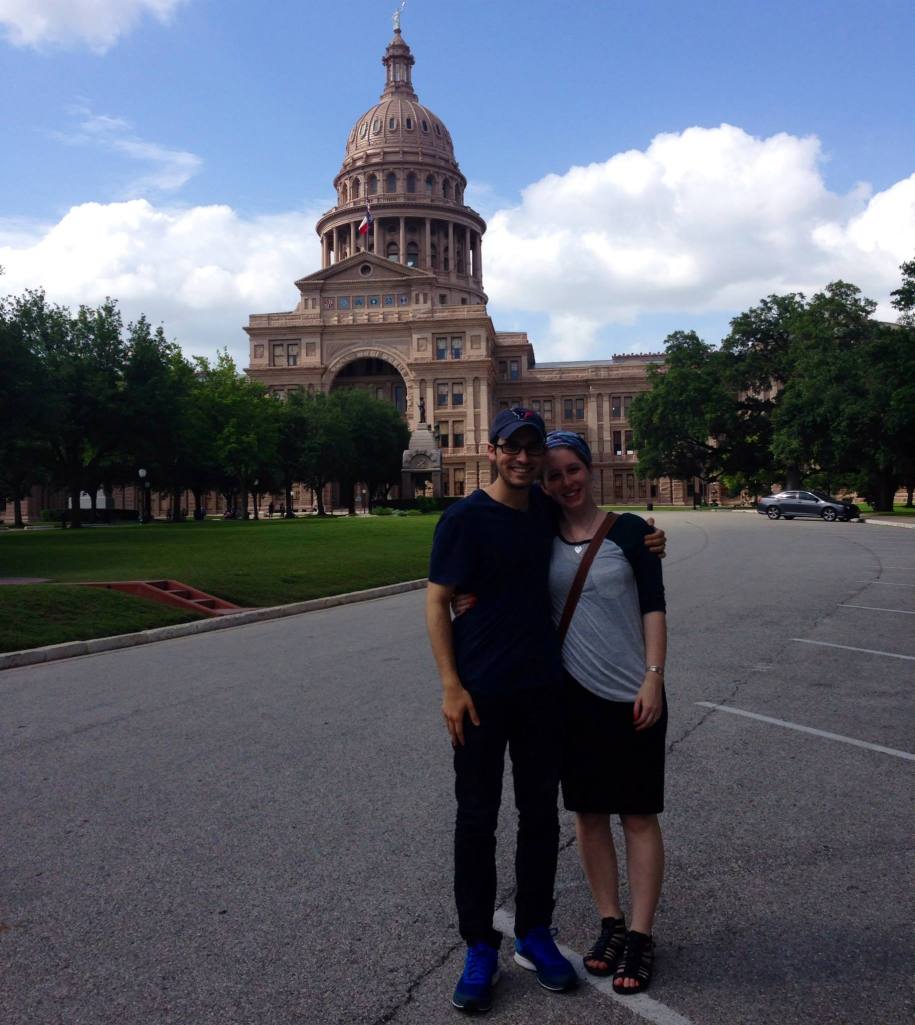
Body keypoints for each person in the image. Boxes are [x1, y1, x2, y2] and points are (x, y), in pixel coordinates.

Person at [426, 407, 666, 1014]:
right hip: (479, 695)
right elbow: (437, 602)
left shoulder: (544, 513)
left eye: (534, 451)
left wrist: (649, 536)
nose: (526, 460)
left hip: (542, 693)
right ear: (492, 450)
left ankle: (534, 931)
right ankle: (479, 942)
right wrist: (450, 684)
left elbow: (610, 533)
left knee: (539, 818)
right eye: (515, 448)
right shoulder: (463, 518)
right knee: (477, 821)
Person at [542, 430, 667, 996]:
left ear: (589, 470)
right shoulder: (537, 535)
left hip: (632, 694)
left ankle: (641, 935)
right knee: (589, 816)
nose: (565, 481)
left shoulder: (634, 532)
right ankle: (610, 923)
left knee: (638, 817)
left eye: (572, 470)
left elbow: (653, 606)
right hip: (573, 700)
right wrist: (464, 595)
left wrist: (654, 678)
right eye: (553, 474)